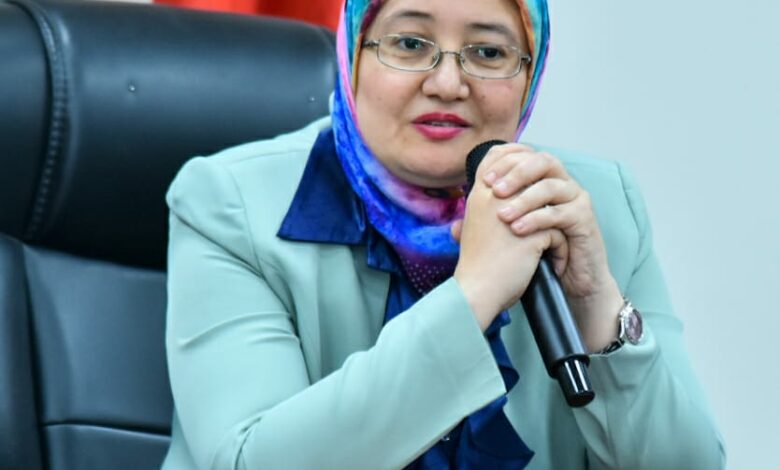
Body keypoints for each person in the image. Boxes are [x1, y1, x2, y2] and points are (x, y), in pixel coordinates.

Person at [161, 0, 726, 468]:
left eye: (488, 52)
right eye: (409, 43)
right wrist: (473, 294)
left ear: (530, 74)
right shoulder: (232, 204)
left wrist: (595, 300)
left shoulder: (594, 204)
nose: (449, 83)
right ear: (353, 54)